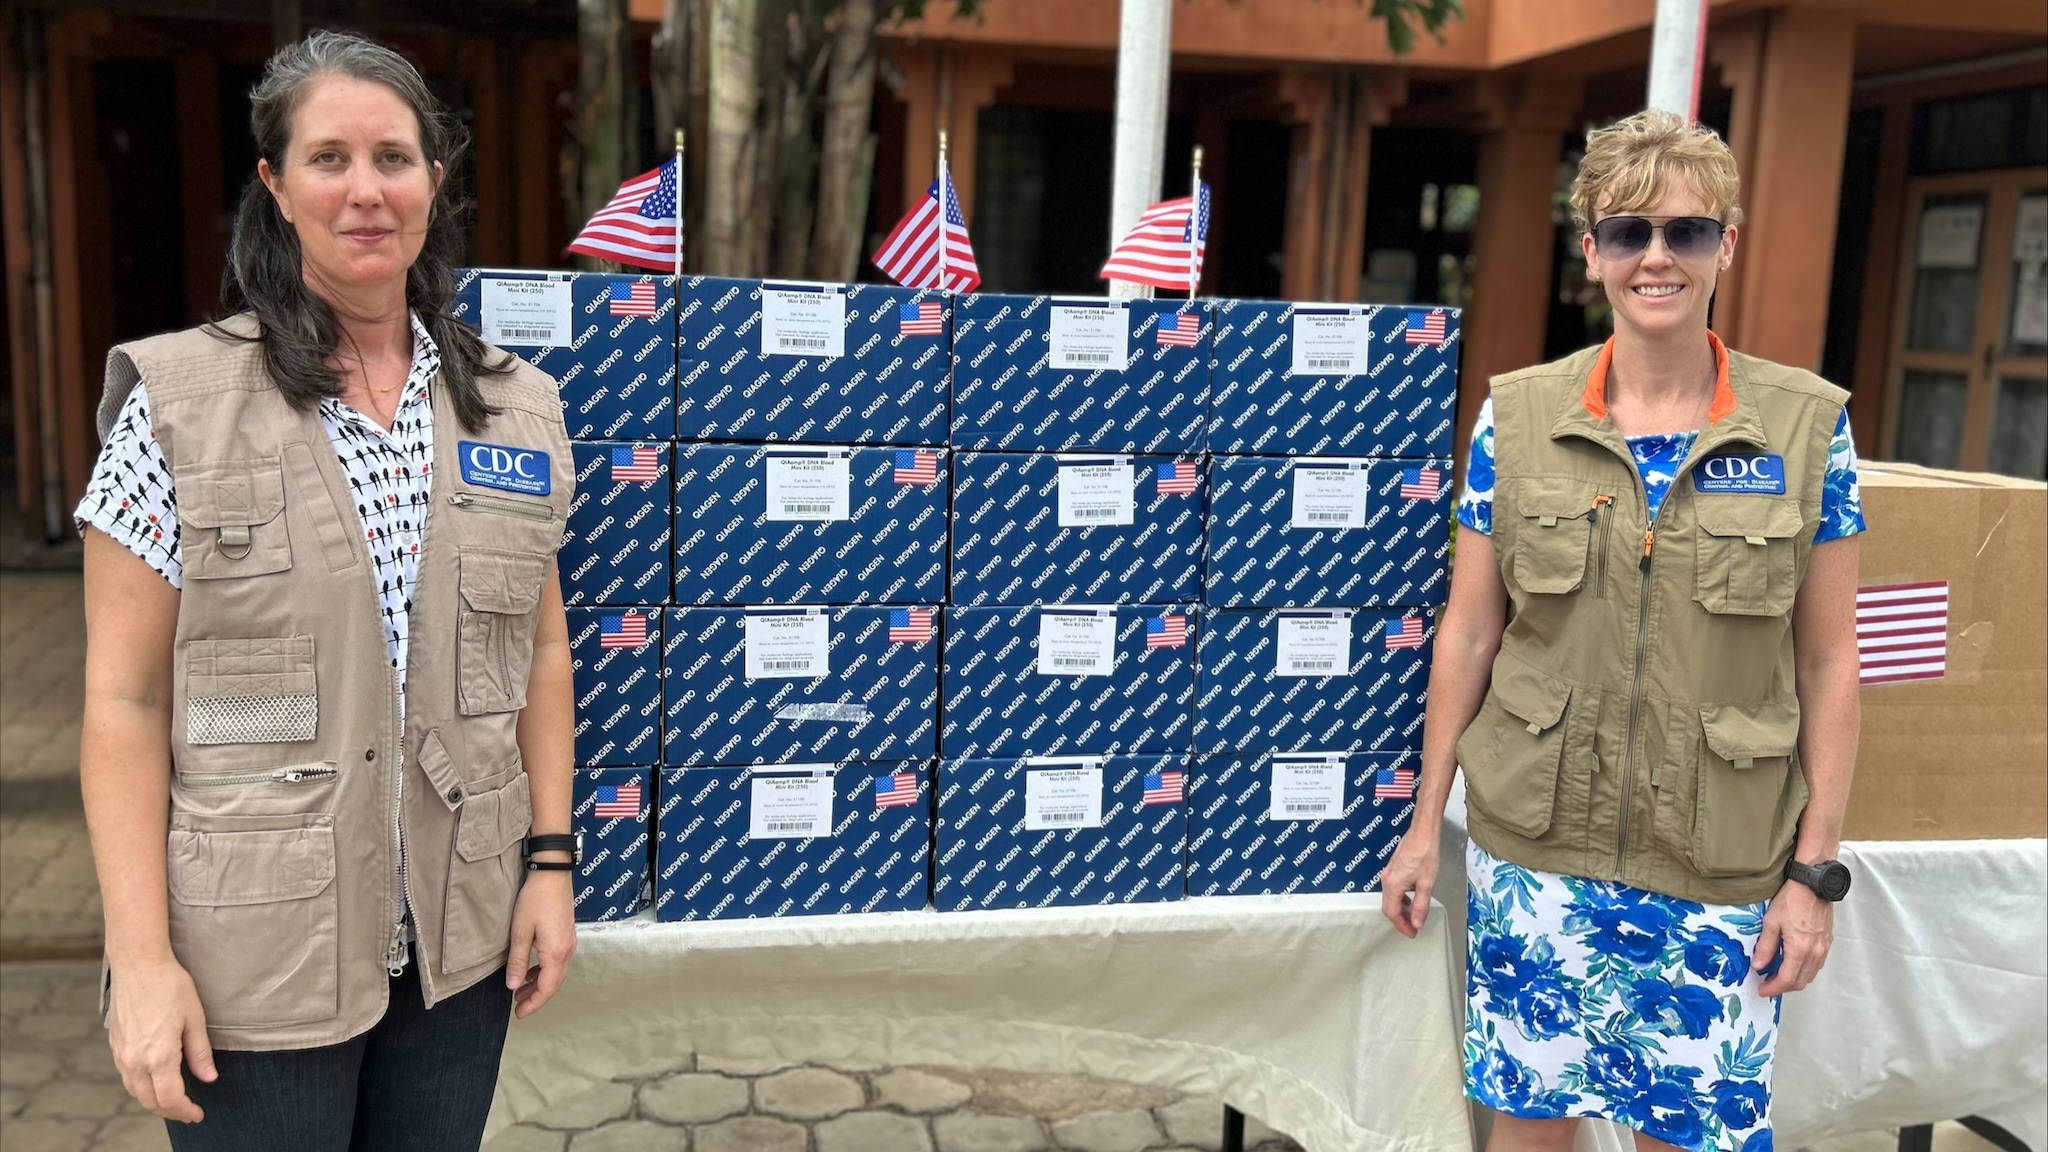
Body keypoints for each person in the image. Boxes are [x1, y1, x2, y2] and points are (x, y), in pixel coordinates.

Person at [76, 30, 578, 1150]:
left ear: (433, 182)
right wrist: (142, 961)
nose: (366, 192)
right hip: (254, 951)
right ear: (275, 185)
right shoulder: (181, 406)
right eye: (329, 160)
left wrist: (549, 864)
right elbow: (124, 703)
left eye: (394, 158)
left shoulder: (514, 408)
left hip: (460, 939)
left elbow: (539, 651)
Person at [1381, 109, 1864, 1152]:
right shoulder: (1512, 419)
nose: (1656, 257)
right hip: (1533, 849)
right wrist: (1425, 825)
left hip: (1718, 864)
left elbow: (1827, 662)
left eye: (1685, 232)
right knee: (1524, 1131)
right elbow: (1466, 636)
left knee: (1688, 1139)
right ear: (1590, 249)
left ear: (1724, 246)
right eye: (1626, 232)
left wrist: (1811, 875)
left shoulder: (1807, 427)